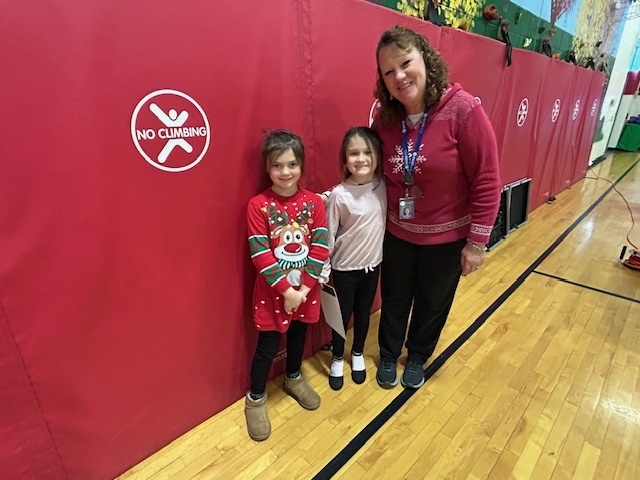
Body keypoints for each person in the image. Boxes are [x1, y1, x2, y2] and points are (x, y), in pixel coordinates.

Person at [372, 26, 501, 389]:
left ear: (425, 60)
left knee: (433, 302)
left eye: (405, 63)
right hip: (398, 232)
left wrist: (477, 243)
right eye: (388, 71)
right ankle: (387, 353)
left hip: (446, 239)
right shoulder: (384, 119)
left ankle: (416, 356)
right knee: (395, 297)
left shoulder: (464, 110)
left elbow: (488, 180)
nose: (399, 76)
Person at [244, 129, 330, 441]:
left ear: (301, 166)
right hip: (272, 293)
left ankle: (293, 376)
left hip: (306, 292)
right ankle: (255, 397)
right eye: (277, 165)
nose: (285, 172)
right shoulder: (258, 205)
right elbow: (260, 253)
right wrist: (286, 291)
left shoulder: (314, 203)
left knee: (298, 337)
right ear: (268, 168)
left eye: (292, 164)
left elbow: (321, 247)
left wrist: (303, 290)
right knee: (267, 347)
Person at [325, 127, 386, 390]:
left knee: (363, 314)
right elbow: (327, 234)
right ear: (345, 159)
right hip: (344, 268)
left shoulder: (383, 185)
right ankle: (338, 356)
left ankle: (357, 353)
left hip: (372, 267)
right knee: (342, 315)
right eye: (353, 153)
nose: (360, 159)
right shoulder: (339, 195)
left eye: (367, 152)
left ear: (377, 156)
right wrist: (325, 268)